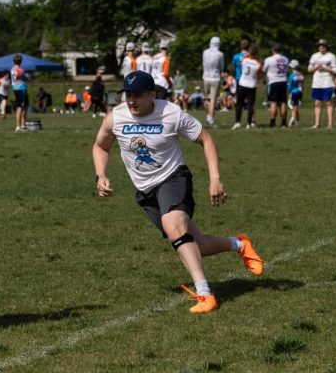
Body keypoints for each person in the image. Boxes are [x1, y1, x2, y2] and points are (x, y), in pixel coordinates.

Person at [93, 70, 264, 313]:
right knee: (197, 244)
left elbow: (206, 139)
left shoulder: (171, 113)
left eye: (138, 95)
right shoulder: (116, 117)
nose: (131, 100)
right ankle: (240, 244)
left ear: (152, 94)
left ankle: (205, 294)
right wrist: (101, 175)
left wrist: (215, 179)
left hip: (173, 178)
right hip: (144, 191)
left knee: (174, 227)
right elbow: (101, 146)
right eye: (128, 94)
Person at [308, 39, 336, 129]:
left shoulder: (331, 56)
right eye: (319, 45)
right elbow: (309, 69)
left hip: (328, 83)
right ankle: (317, 123)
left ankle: (330, 124)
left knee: (329, 103)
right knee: (317, 103)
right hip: (317, 83)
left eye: (323, 45)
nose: (321, 47)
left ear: (326, 47)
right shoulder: (314, 56)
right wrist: (316, 68)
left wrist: (324, 68)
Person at [233, 47, 260, 129]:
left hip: (243, 84)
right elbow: (260, 75)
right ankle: (249, 123)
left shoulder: (244, 60)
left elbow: (240, 62)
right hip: (252, 85)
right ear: (257, 54)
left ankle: (237, 122)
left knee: (239, 103)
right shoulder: (257, 63)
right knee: (250, 105)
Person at [263, 44, 290, 128]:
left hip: (274, 81)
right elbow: (287, 70)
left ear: (273, 50)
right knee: (283, 102)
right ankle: (284, 122)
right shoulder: (285, 59)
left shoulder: (269, 59)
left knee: (273, 102)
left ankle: (272, 122)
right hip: (283, 81)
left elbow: (264, 69)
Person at [201, 36, 225, 128]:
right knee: (213, 100)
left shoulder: (205, 52)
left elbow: (203, 64)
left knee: (206, 99)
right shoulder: (220, 54)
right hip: (215, 78)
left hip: (206, 77)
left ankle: (208, 116)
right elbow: (222, 67)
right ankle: (210, 119)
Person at [10, 54, 29, 132]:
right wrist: (27, 77)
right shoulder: (20, 70)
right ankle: (18, 126)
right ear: (21, 61)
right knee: (21, 107)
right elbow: (25, 79)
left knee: (24, 107)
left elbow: (14, 80)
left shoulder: (12, 69)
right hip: (21, 88)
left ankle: (23, 125)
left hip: (16, 89)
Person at [287, 60, 304, 127]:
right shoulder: (301, 75)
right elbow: (302, 84)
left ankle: (293, 118)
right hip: (300, 92)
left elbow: (289, 86)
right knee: (296, 106)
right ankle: (297, 122)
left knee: (294, 106)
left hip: (293, 92)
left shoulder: (291, 76)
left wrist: (288, 93)